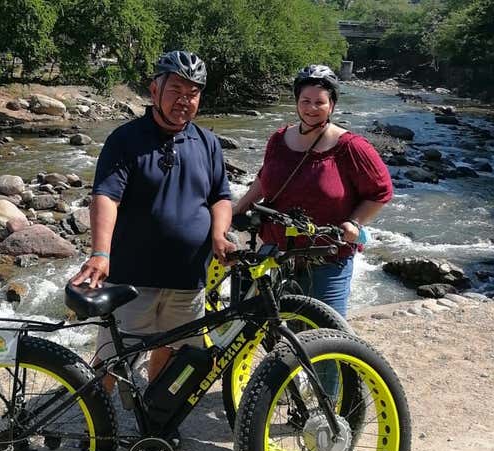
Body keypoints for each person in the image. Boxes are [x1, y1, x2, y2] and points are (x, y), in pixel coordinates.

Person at [70, 51, 235, 407]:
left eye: (193, 93)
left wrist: (220, 235)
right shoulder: (126, 139)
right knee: (112, 359)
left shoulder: (207, 143)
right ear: (154, 89)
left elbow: (220, 197)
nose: (184, 100)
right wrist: (100, 253)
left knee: (173, 351)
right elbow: (106, 197)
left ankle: (154, 410)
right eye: (176, 90)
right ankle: (94, 422)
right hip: (132, 278)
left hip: (188, 279)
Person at [232, 64, 393, 318]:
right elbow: (265, 177)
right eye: (305, 101)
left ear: (332, 105)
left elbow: (380, 191)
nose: (311, 108)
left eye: (320, 102)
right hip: (277, 257)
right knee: (282, 331)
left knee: (327, 332)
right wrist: (240, 207)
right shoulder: (278, 139)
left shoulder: (351, 147)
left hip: (327, 259)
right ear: (297, 102)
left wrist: (355, 222)